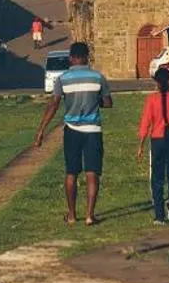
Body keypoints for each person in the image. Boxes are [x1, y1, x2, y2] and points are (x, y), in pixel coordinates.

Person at [33, 39, 111, 226]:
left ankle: (71, 215)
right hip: (93, 130)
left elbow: (53, 104)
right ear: (87, 57)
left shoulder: (63, 79)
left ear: (71, 58)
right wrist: (96, 101)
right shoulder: (98, 77)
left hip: (72, 131)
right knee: (92, 173)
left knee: (71, 172)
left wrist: (41, 130)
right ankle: (90, 216)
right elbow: (107, 103)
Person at [136, 64, 169, 224]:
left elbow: (145, 122)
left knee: (157, 177)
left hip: (157, 139)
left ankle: (159, 215)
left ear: (157, 83)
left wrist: (141, 145)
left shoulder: (151, 99)